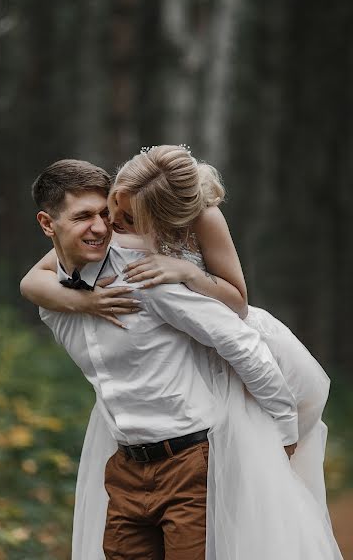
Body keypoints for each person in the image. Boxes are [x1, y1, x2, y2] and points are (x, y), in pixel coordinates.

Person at [21, 156, 342, 560]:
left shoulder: (149, 275)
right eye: (87, 216)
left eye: (110, 215)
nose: (106, 227)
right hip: (124, 465)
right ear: (48, 224)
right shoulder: (55, 295)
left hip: (190, 461)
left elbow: (239, 333)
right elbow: (33, 282)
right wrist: (80, 301)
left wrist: (283, 431)